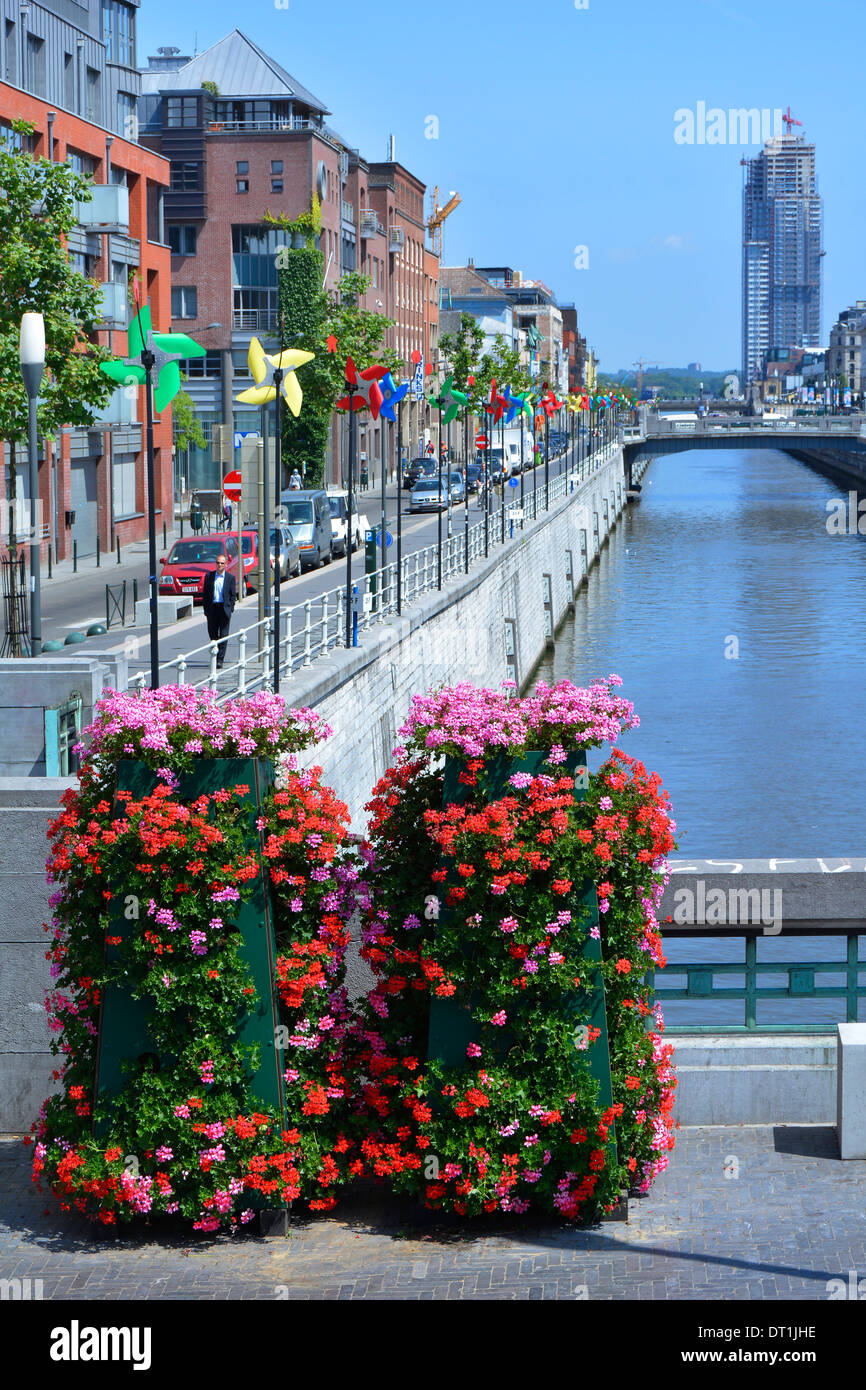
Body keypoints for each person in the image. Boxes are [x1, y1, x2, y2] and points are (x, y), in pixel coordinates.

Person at [202, 553, 237, 670]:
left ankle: (220, 660)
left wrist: (231, 607)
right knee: (213, 635)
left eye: (222, 563)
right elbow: (205, 594)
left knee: (223, 635)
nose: (219, 565)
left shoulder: (230, 578)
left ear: (226, 565)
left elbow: (233, 595)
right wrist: (206, 610)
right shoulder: (209, 576)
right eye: (218, 563)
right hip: (212, 609)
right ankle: (215, 655)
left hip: (224, 609)